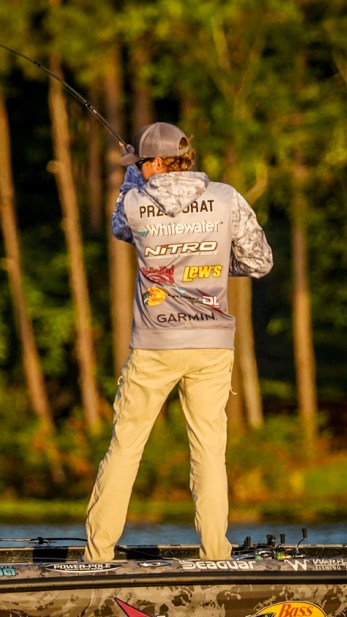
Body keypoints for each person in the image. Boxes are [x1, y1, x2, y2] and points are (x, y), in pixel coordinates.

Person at [84, 121, 273, 562]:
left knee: (125, 447)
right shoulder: (226, 198)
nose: (138, 170)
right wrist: (213, 267)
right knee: (209, 452)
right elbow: (259, 262)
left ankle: (97, 557)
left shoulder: (133, 203)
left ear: (154, 163)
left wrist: (130, 179)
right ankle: (215, 553)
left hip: (155, 344)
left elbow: (119, 227)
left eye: (140, 163)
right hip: (212, 343)